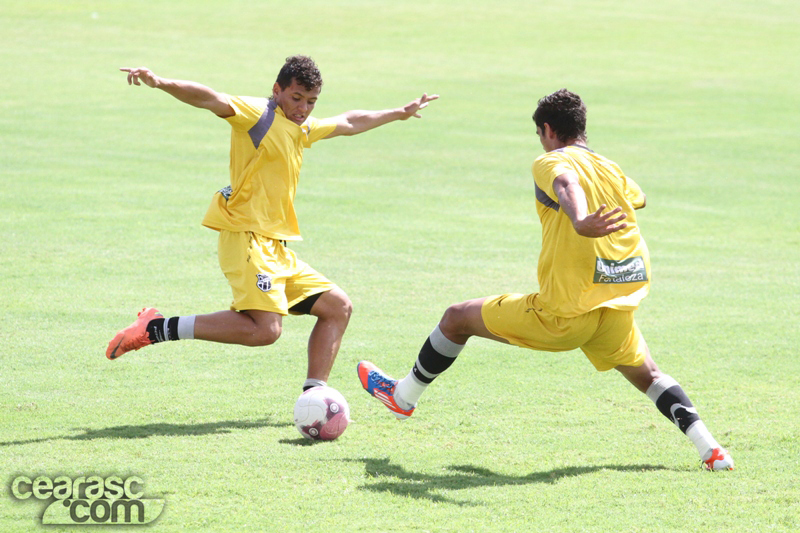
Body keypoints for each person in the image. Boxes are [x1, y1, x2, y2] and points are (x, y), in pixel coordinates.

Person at [358, 89, 734, 471]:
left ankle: (403, 397)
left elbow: (566, 184)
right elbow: (640, 197)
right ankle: (712, 450)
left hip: (562, 316)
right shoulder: (609, 167)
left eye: (539, 134)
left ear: (548, 130)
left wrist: (580, 219)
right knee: (649, 375)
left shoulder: (550, 161)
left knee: (456, 318)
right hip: (614, 306)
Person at [107, 55, 438, 393]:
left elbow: (349, 121)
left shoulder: (302, 127)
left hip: (276, 248)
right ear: (277, 90)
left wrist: (398, 113)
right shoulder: (257, 115)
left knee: (338, 307)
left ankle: (314, 396)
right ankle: (156, 328)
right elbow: (210, 98)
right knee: (265, 331)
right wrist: (160, 82)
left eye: (311, 101)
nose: (303, 108)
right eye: (296, 98)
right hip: (246, 238)